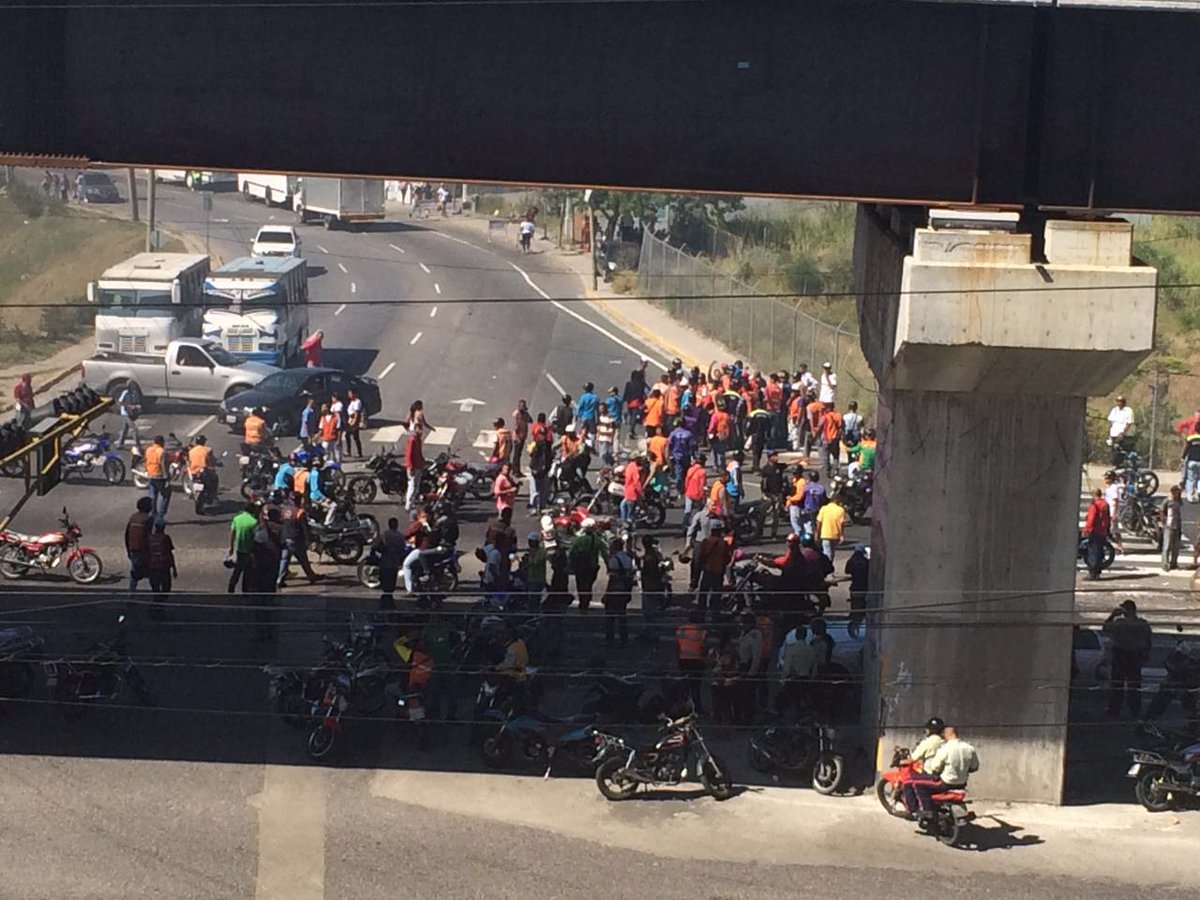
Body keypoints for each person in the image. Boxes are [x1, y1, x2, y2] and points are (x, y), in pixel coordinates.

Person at [906, 726, 980, 818]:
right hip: (962, 784)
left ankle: (926, 810)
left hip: (945, 783)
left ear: (947, 734)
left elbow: (934, 766)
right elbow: (975, 767)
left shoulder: (946, 748)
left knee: (912, 781)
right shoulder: (970, 748)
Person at [1103, 599, 1153, 718]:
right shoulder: (1143, 624)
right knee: (1134, 685)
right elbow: (1148, 640)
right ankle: (1135, 710)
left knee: (1117, 685)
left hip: (1120, 655)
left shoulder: (1119, 623)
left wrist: (1112, 615)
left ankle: (1114, 710)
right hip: (1136, 656)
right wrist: (1146, 653)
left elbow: (1105, 628)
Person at [1144, 625, 1200, 729]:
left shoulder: (1186, 663)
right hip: (1178, 685)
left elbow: (1171, 666)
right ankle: (1149, 719)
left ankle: (1193, 725)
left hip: (1182, 685)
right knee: (1161, 702)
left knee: (1187, 705)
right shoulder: (1187, 662)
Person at [277, 492, 320, 588]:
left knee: (284, 560)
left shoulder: (285, 510)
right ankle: (311, 576)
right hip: (296, 540)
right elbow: (305, 529)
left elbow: (281, 522)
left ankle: (279, 580)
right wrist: (309, 542)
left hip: (285, 538)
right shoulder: (300, 512)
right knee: (303, 560)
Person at [777, 624, 818, 719]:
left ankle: (784, 719)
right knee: (801, 702)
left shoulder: (791, 649)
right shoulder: (811, 650)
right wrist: (812, 680)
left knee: (786, 702)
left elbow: (787, 666)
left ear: (796, 635)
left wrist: (783, 679)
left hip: (793, 679)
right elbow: (814, 668)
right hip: (805, 679)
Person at [603, 536, 636, 647]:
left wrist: (606, 594)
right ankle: (623, 638)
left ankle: (610, 639)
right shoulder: (628, 559)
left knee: (610, 616)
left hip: (615, 590)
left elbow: (613, 579)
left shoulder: (614, 560)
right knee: (622, 615)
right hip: (625, 590)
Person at [568, 519, 608, 611]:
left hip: (580, 567)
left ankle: (583, 602)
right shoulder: (598, 540)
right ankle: (586, 602)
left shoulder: (579, 540)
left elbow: (571, 553)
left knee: (581, 585)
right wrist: (608, 566)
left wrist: (570, 565)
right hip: (592, 567)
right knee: (588, 585)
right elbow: (604, 554)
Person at [675, 608, 709, 714]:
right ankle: (697, 709)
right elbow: (704, 648)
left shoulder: (681, 630)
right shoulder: (701, 632)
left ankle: (682, 708)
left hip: (683, 660)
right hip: (697, 661)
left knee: (684, 685)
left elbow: (677, 646)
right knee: (695, 687)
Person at [697, 519, 733, 614]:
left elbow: (700, 557)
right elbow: (727, 559)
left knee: (703, 592)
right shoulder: (723, 544)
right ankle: (714, 614)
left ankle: (701, 612)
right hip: (718, 572)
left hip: (707, 571)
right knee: (716, 595)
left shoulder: (705, 542)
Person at [145, 521, 177, 619]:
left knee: (156, 590)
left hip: (152, 567)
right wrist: (174, 568)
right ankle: (157, 607)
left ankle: (157, 606)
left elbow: (146, 553)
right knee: (165, 589)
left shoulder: (149, 538)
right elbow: (170, 554)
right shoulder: (165, 538)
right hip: (163, 567)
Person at [227, 502, 260, 593]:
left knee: (238, 569)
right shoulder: (254, 522)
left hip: (240, 549)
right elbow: (256, 537)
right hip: (250, 550)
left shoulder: (237, 519)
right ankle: (245, 590)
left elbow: (232, 533)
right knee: (248, 572)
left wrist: (231, 547)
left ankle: (231, 586)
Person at [375, 516, 407, 609]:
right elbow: (402, 550)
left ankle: (385, 601)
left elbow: (375, 546)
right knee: (391, 583)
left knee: (385, 583)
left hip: (384, 562)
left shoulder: (384, 535)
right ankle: (389, 600)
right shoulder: (400, 536)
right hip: (394, 563)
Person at [124, 497, 153, 595]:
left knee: (134, 572)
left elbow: (127, 534)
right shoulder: (148, 518)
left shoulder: (133, 517)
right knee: (151, 572)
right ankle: (156, 595)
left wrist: (128, 549)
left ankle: (131, 594)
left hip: (133, 548)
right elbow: (148, 535)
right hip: (143, 549)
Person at [1083, 488, 1111, 580]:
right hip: (1102, 531)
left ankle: (1092, 573)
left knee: (1092, 552)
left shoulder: (1095, 505)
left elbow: (1091, 518)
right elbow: (1108, 518)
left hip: (1095, 530)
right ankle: (1098, 572)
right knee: (1100, 552)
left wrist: (1087, 529)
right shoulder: (1105, 504)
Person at [527, 415, 553, 513]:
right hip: (544, 469)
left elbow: (531, 453)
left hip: (535, 468)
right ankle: (541, 505)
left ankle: (533, 506)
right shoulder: (548, 444)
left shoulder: (536, 443)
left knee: (534, 488)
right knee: (544, 488)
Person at [143, 435, 171, 521]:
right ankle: (160, 515)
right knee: (166, 495)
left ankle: (153, 514)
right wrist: (167, 478)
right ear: (162, 442)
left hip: (151, 475)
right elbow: (164, 466)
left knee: (153, 496)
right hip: (160, 476)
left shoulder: (148, 450)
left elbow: (146, 461)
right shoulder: (162, 452)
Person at [844, 544, 870, 637]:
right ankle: (856, 626)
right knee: (862, 609)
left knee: (855, 608)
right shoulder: (866, 562)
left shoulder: (851, 561)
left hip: (854, 587)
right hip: (864, 588)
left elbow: (846, 571)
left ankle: (854, 626)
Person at [760, 449, 786, 538]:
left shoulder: (779, 467)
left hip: (778, 494)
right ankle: (760, 532)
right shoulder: (766, 469)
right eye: (774, 456)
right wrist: (765, 494)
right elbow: (763, 483)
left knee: (776, 515)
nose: (776, 457)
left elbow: (788, 465)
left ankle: (773, 533)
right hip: (768, 495)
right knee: (763, 513)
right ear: (769, 457)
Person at [816, 491, 847, 563]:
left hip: (825, 534)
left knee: (827, 552)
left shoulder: (824, 509)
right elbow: (842, 524)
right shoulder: (841, 510)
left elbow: (819, 522)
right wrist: (841, 535)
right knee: (832, 553)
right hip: (835, 535)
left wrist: (817, 533)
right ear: (837, 500)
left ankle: (828, 568)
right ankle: (830, 567)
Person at [682, 453, 707, 535]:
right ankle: (697, 527)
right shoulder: (702, 472)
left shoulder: (690, 469)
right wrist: (703, 496)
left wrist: (686, 490)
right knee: (700, 511)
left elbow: (686, 482)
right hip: (697, 494)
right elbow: (702, 485)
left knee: (687, 511)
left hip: (689, 492)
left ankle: (683, 526)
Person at [668, 420, 695, 491]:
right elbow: (692, 445)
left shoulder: (673, 433)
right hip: (686, 455)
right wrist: (693, 455)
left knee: (678, 471)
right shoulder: (688, 433)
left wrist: (670, 454)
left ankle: (679, 488)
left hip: (676, 455)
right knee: (686, 471)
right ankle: (686, 486)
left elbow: (669, 445)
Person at [1162, 485, 1184, 571]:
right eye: (1176, 493)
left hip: (1177, 525)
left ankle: (1174, 563)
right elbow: (1162, 512)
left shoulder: (1179, 501)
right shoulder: (1167, 501)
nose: (1177, 495)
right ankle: (1165, 564)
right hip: (1169, 526)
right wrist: (1164, 522)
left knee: (1176, 546)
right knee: (1167, 546)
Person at [404, 424, 425, 514]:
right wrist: (410, 467)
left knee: (416, 487)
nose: (420, 431)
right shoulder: (412, 440)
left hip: (419, 466)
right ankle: (408, 505)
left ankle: (412, 504)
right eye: (418, 429)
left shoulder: (418, 440)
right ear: (415, 429)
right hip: (414, 467)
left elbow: (419, 453)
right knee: (412, 486)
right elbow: (409, 455)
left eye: (421, 429)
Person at [1107, 394, 1134, 465]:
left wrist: (1122, 433)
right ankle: (1116, 465)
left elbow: (1129, 423)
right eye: (1117, 401)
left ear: (1124, 402)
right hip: (1114, 433)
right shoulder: (1114, 410)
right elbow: (1110, 421)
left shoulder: (1128, 410)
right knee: (1114, 452)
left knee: (1121, 451)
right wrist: (1109, 434)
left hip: (1122, 435)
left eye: (1120, 401)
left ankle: (1123, 464)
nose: (1119, 403)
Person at [819, 402, 843, 479]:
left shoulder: (824, 416)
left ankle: (827, 472)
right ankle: (836, 471)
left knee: (826, 456)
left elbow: (820, 426)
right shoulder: (838, 415)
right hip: (835, 439)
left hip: (826, 438)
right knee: (836, 456)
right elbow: (841, 427)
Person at [116, 384, 143, 451]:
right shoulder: (125, 392)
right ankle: (138, 446)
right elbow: (120, 402)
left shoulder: (135, 393)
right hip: (125, 413)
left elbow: (136, 402)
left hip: (131, 413)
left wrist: (137, 406)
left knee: (125, 429)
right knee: (134, 429)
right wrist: (129, 406)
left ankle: (120, 444)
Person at [620, 455, 643, 526]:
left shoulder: (631, 467)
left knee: (630, 514)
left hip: (631, 493)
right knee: (623, 506)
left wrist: (640, 492)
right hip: (630, 492)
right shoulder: (632, 467)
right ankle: (625, 523)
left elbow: (636, 482)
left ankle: (627, 526)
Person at [511, 399, 532, 476]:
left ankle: (514, 469)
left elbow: (530, 420)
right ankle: (516, 471)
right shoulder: (518, 415)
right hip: (519, 437)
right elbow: (516, 427)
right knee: (517, 455)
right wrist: (517, 437)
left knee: (517, 454)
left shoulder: (524, 414)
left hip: (522, 436)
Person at [344, 390, 365, 458]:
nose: (349, 395)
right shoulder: (352, 402)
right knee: (347, 435)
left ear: (354, 394)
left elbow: (357, 413)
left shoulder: (357, 402)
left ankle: (359, 453)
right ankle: (348, 451)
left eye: (350, 394)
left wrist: (354, 422)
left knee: (356, 437)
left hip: (354, 422)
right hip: (350, 420)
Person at [1184, 425, 1200, 503]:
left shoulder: (1190, 438)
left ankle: (1190, 496)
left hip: (1192, 460)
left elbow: (1186, 448)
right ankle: (1199, 491)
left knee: (1191, 479)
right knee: (1199, 478)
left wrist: (1183, 457)